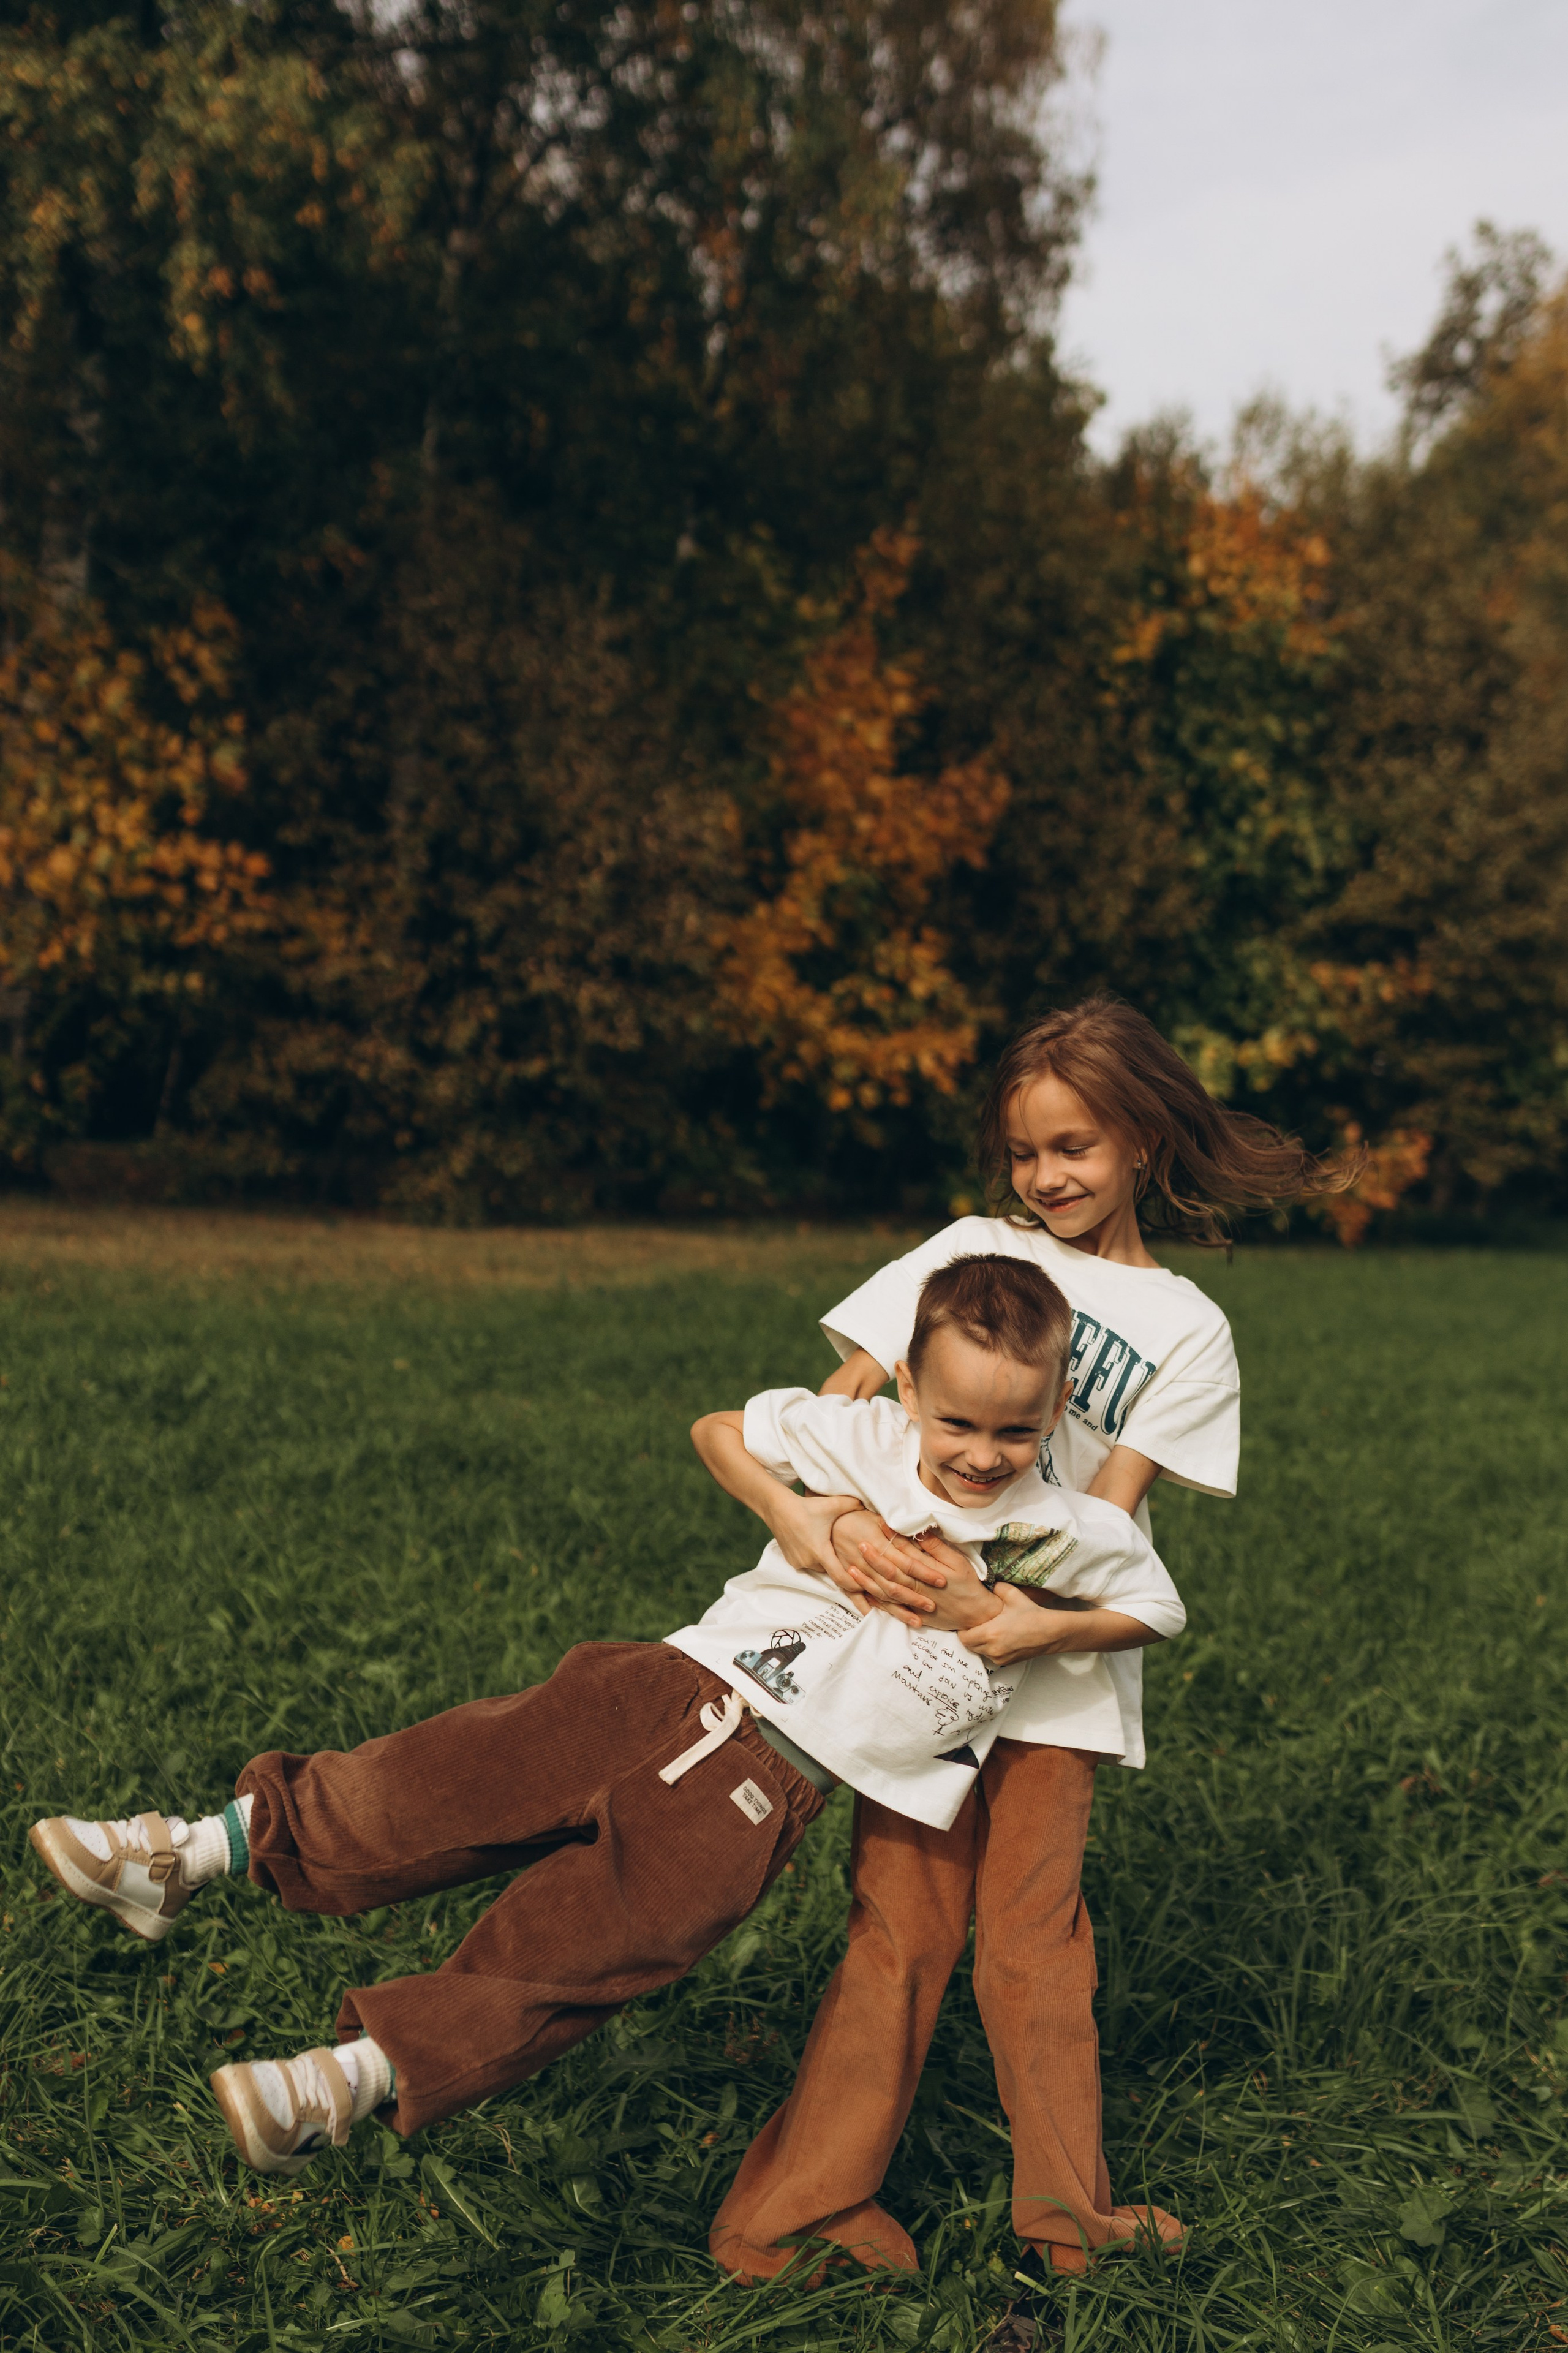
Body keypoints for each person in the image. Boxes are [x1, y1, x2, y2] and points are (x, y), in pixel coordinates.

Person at [29, 1254, 1181, 2208]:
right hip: (665, 1680)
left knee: (584, 1944)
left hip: (764, 1791)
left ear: (1055, 1411)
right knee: (439, 1777)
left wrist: (1032, 1628)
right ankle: (186, 1851)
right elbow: (721, 1425)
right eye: (959, 1420)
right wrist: (804, 1512)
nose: (984, 1452)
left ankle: (341, 2082)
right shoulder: (862, 1440)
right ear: (911, 1393)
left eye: (1018, 1430)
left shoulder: (1060, 1528)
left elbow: (1157, 1609)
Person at [708, 993, 1354, 2284]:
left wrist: (1013, 1622)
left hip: (1049, 1665)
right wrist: (841, 1543)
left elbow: (1100, 1520)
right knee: (897, 1927)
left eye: (1075, 1146)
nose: (1047, 1175)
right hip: (909, 1661)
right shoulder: (960, 1248)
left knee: (1035, 1939)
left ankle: (1068, 2218)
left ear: (1143, 1143)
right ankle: (788, 2216)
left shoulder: (1187, 1330)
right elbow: (848, 1409)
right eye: (1025, 1150)